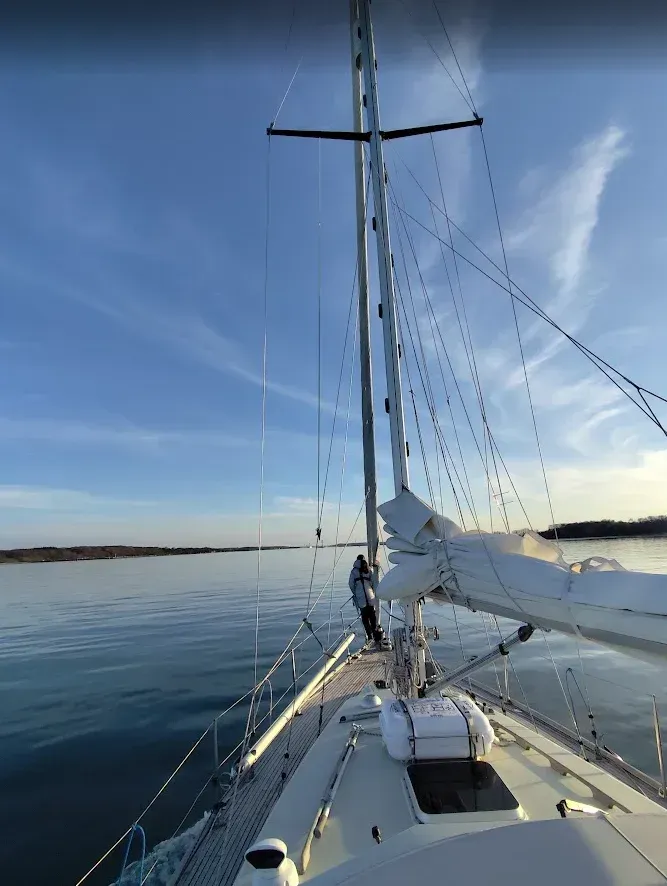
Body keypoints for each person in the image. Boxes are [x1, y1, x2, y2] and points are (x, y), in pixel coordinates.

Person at [348, 555, 378, 642]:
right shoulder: (369, 569)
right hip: (370, 595)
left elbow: (351, 584)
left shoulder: (354, 571)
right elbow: (374, 582)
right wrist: (372, 590)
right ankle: (375, 633)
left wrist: (356, 593)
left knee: (365, 617)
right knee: (372, 615)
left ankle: (370, 635)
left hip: (360, 597)